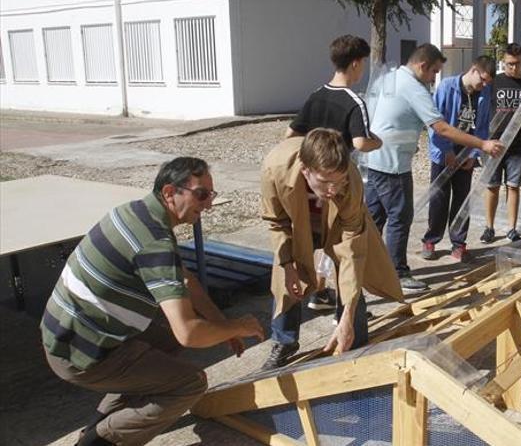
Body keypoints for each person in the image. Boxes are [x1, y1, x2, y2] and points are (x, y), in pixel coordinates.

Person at [41, 157, 265, 446]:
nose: (208, 204)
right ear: (170, 193)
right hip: (79, 354)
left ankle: (98, 424)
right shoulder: (155, 243)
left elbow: (186, 281)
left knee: (165, 342)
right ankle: (100, 440)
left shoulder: (136, 213)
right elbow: (189, 333)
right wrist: (238, 326)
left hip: (64, 330)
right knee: (190, 383)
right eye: (201, 194)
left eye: (211, 194)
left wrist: (222, 325)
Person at [365, 43, 504, 292]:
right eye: (433, 72)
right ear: (422, 66)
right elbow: (440, 127)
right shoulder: (415, 88)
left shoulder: (388, 78)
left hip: (374, 161)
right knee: (400, 218)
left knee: (374, 218)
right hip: (393, 165)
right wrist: (482, 144)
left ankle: (364, 267)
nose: (434, 78)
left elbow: (372, 112)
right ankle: (397, 272)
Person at [260, 128, 403, 369]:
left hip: (335, 224)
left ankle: (353, 338)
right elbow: (276, 222)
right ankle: (284, 341)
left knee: (352, 276)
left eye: (339, 181)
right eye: (325, 182)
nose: (333, 190)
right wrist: (288, 265)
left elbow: (351, 250)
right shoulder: (275, 169)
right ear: (306, 170)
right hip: (297, 224)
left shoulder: (351, 180)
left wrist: (346, 314)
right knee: (285, 281)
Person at [284, 34, 382, 313]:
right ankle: (347, 310)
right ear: (355, 64)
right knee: (345, 247)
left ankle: (317, 293)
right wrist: (380, 141)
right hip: (338, 184)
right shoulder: (354, 101)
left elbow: (290, 133)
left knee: (307, 242)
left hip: (311, 183)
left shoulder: (316, 95)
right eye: (362, 63)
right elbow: (362, 143)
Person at [420, 56, 495, 262]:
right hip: (443, 153)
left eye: (488, 82)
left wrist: (474, 154)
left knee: (462, 199)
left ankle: (459, 243)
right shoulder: (446, 87)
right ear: (473, 70)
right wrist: (446, 151)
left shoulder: (484, 92)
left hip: (466, 152)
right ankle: (431, 239)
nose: (484, 85)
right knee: (438, 198)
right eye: (483, 80)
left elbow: (482, 126)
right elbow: (435, 124)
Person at [481, 43, 521, 244]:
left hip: (519, 145)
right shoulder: (494, 83)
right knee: (492, 186)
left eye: (517, 64)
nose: (513, 68)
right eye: (509, 64)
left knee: (513, 186)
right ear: (503, 62)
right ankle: (489, 228)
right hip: (494, 144)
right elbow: (482, 112)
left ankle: (511, 228)